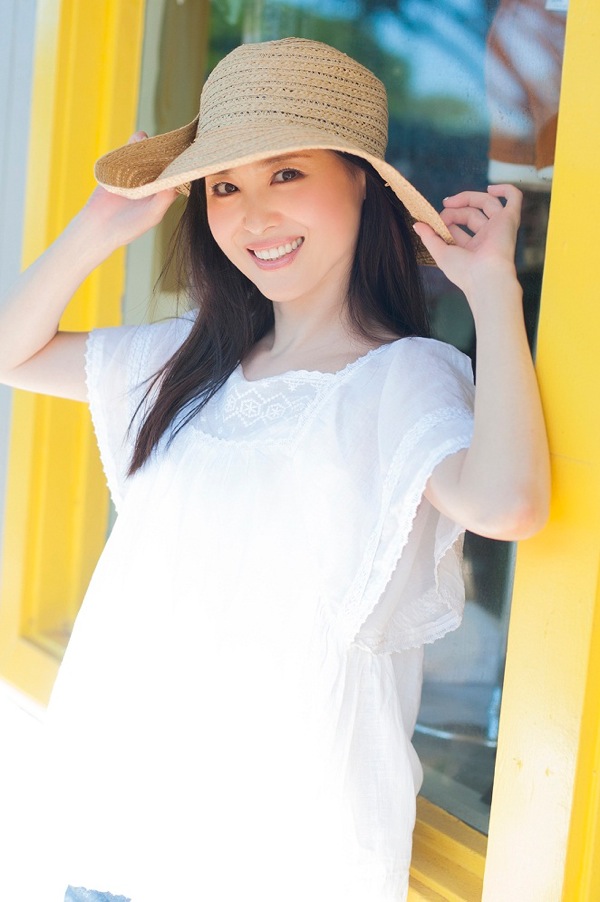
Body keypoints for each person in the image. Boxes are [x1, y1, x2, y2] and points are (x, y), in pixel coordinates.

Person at [0, 37, 549, 902]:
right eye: (224, 186)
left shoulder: (401, 377)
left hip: (281, 864)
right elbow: (12, 354)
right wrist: (100, 226)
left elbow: (509, 505)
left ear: (361, 181)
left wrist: (493, 294)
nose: (252, 216)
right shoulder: (189, 363)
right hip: (117, 846)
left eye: (285, 174)